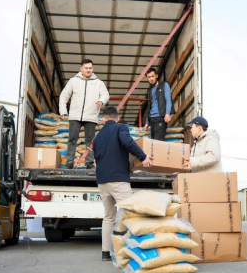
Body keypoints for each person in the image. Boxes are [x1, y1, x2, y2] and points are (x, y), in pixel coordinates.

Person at [93, 106, 152, 261]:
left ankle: (105, 252)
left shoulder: (97, 137)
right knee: (130, 211)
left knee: (108, 216)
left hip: (102, 180)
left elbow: (100, 157)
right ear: (117, 118)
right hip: (118, 179)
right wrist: (143, 157)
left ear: (104, 119)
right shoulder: (121, 128)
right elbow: (128, 143)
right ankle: (131, 250)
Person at [59, 59, 109, 169]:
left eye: (90, 68)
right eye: (86, 68)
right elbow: (64, 96)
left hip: (91, 116)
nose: (88, 70)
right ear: (81, 69)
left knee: (90, 141)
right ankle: (69, 162)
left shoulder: (98, 83)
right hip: (75, 115)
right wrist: (63, 111)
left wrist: (101, 101)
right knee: (72, 139)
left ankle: (89, 163)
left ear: (93, 69)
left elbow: (105, 94)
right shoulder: (73, 81)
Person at [143, 67, 175, 140]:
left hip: (160, 117)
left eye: (152, 76)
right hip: (152, 119)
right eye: (149, 77)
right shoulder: (150, 90)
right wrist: (147, 122)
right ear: (147, 78)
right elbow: (149, 107)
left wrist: (167, 113)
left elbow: (168, 100)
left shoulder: (164, 85)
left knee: (157, 142)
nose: (151, 79)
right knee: (153, 142)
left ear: (156, 76)